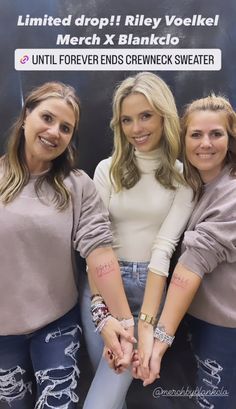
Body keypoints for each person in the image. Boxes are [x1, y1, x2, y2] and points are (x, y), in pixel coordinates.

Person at [0, 81, 135, 409]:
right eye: (46, 118)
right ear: (25, 117)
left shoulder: (76, 186)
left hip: (57, 324)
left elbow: (99, 253)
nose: (54, 132)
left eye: (65, 127)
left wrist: (120, 321)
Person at [81, 72, 194, 409]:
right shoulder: (106, 170)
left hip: (150, 291)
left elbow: (163, 251)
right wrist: (105, 315)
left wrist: (142, 327)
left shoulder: (182, 177)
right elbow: (95, 246)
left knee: (103, 399)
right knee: (112, 394)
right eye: (127, 119)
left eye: (145, 116)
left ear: (164, 116)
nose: (136, 128)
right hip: (99, 290)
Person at [136, 94, 236, 409]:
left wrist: (158, 340)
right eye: (196, 134)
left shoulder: (231, 193)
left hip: (224, 328)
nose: (205, 143)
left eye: (216, 134)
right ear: (183, 139)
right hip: (196, 320)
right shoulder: (195, 185)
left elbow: (190, 268)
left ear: (230, 139)